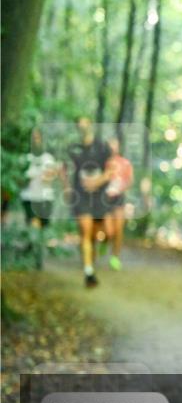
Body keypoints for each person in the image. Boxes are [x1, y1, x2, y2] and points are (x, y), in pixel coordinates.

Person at [66, 117, 111, 288]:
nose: (82, 127)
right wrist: (67, 188)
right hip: (81, 196)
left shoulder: (103, 147)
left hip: (99, 197)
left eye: (85, 123)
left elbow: (111, 170)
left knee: (95, 234)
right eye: (79, 124)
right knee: (85, 231)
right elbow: (66, 169)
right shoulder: (73, 149)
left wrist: (97, 182)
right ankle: (88, 272)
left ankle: (91, 262)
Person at [21, 128, 61, 268]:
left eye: (38, 137)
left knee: (42, 229)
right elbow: (18, 179)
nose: (36, 140)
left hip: (44, 198)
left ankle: (37, 252)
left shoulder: (48, 158)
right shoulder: (25, 158)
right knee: (33, 225)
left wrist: (49, 174)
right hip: (29, 197)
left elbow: (52, 176)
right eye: (34, 137)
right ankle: (37, 256)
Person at [103, 136, 133, 271]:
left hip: (119, 198)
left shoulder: (125, 163)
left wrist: (120, 189)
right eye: (110, 145)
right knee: (109, 231)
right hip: (104, 199)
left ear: (118, 147)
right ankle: (104, 240)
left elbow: (129, 181)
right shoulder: (102, 163)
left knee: (118, 229)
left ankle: (115, 257)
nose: (112, 147)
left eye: (114, 144)